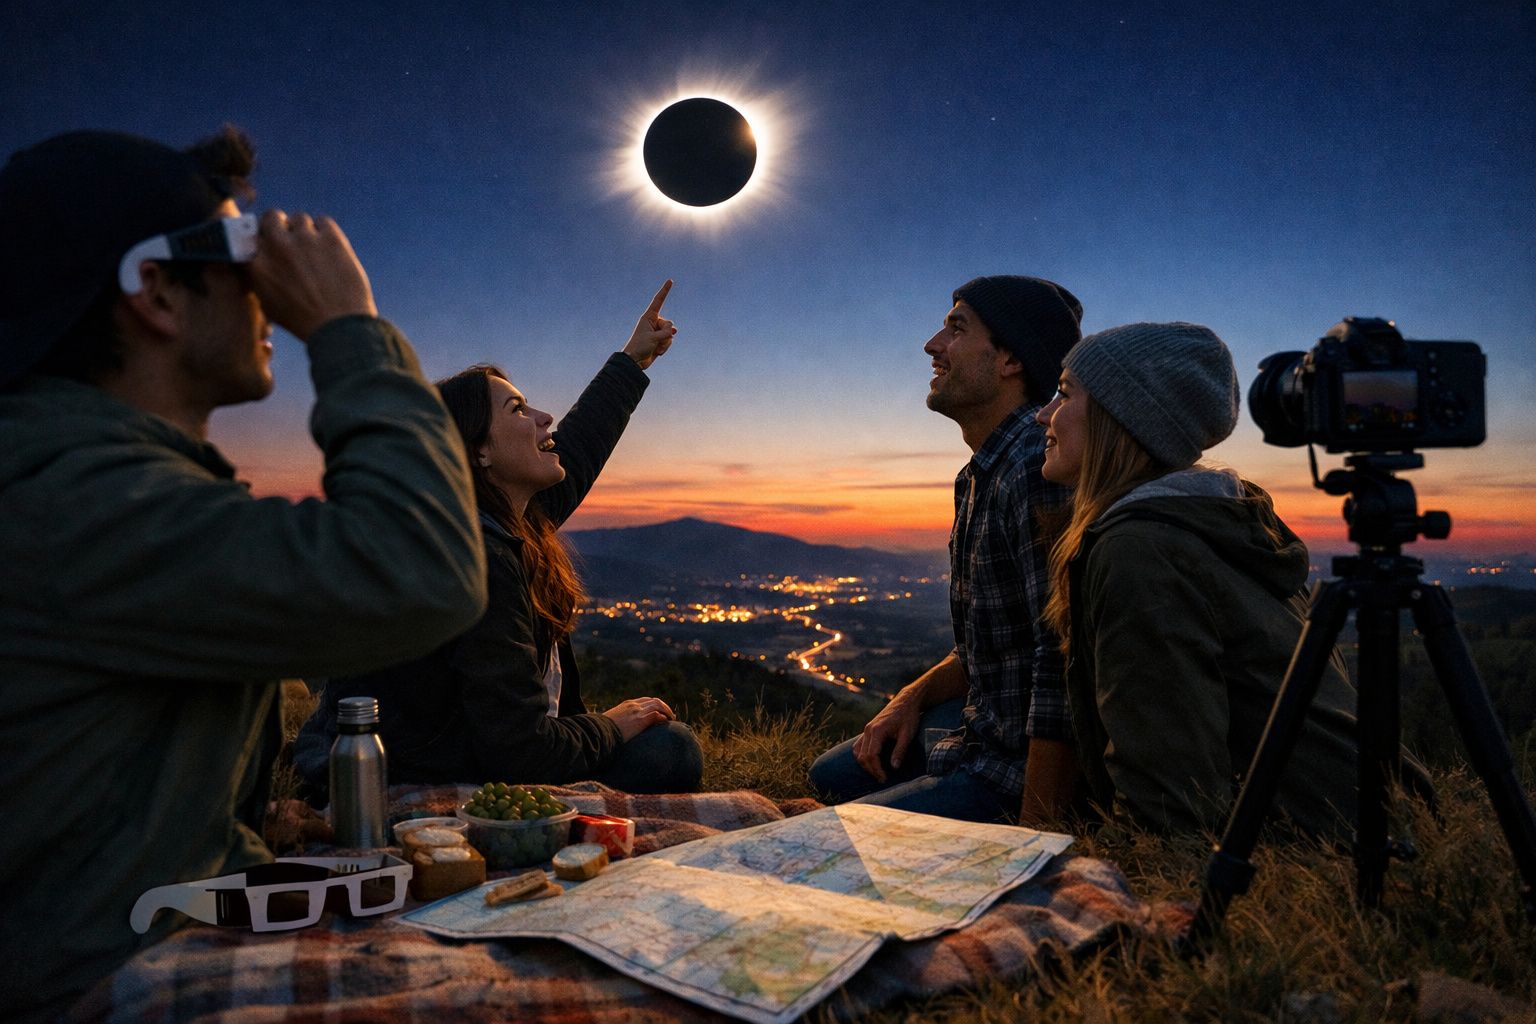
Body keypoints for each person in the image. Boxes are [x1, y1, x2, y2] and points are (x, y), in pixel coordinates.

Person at [0, 128, 487, 1023]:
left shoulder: (89, 477)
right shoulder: (64, 494)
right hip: (100, 980)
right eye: (243, 254)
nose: (267, 292)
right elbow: (420, 569)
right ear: (156, 290)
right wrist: (350, 328)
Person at [297, 283, 704, 795]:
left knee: (663, 745)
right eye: (517, 410)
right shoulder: (475, 555)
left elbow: (576, 450)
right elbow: (521, 749)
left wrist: (633, 359)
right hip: (407, 775)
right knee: (670, 750)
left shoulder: (506, 518)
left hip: (461, 751)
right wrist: (610, 725)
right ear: (478, 453)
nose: (543, 419)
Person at [1036, 321, 1379, 834]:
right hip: (1363, 816)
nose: (1043, 414)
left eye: (1063, 394)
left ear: (1120, 415)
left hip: (1303, 846)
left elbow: (1169, 802)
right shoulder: (1212, 523)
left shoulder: (1142, 548)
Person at [807, 275, 1081, 823]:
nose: (932, 345)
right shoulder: (981, 473)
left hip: (1013, 770)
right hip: (981, 735)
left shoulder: (1035, 468)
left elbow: (1065, 657)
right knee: (830, 778)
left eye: (955, 329)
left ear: (1010, 360)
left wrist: (1036, 833)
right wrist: (910, 698)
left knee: (838, 831)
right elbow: (996, 646)